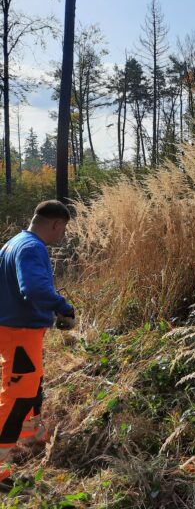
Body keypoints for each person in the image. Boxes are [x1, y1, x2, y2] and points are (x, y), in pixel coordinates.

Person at [0, 200, 75, 484]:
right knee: (16, 395)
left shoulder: (14, 242)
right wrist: (62, 306)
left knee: (32, 384)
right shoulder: (32, 248)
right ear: (56, 224)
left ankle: (30, 434)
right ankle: (1, 465)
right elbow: (33, 288)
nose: (62, 235)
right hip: (19, 332)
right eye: (63, 229)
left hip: (15, 329)